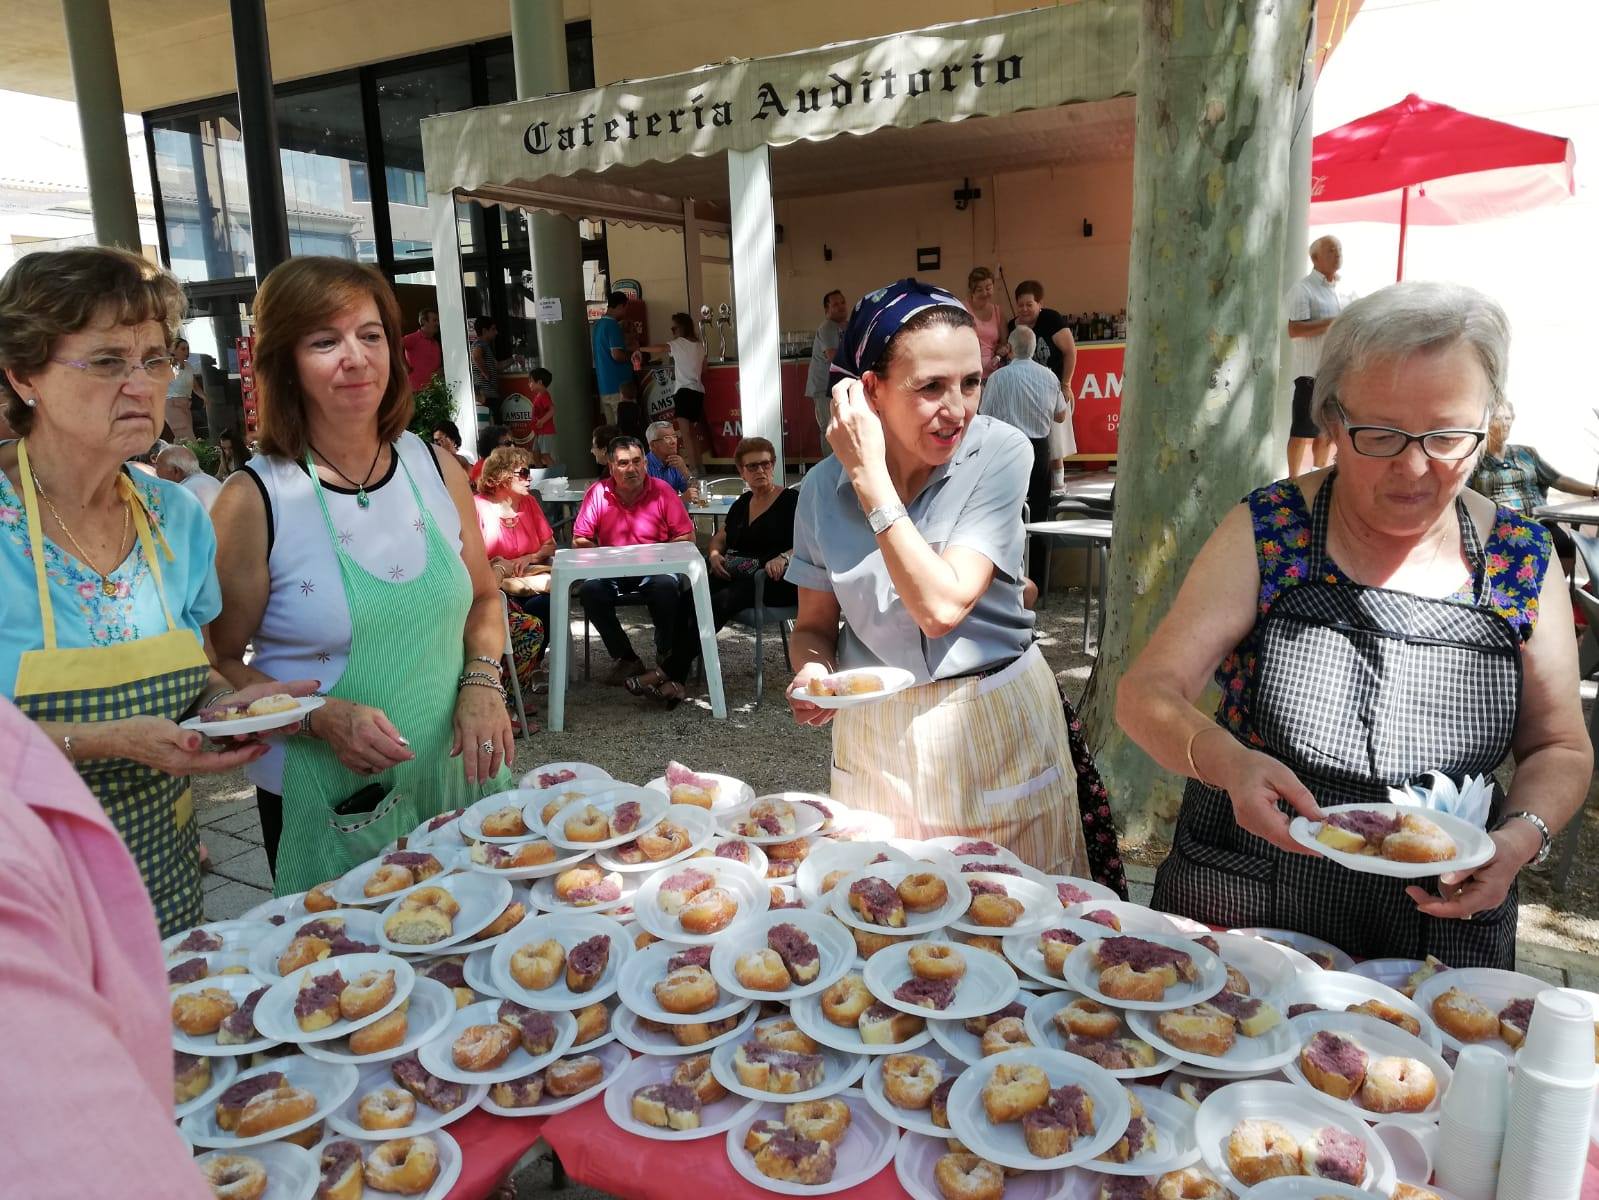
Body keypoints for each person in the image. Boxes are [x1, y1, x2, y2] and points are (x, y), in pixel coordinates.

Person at [1119, 282, 1590, 967]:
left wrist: (1520, 836)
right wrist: (1226, 761)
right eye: (1380, 434)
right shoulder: (1269, 529)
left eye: (1446, 435)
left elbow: (1559, 747)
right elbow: (1145, 694)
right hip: (1247, 896)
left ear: (1488, 427)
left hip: (1440, 917)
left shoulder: (1520, 558)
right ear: (1331, 421)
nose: (1412, 465)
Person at [0, 246, 310, 936]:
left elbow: (190, 666)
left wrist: (231, 704)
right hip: (24, 908)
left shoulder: (174, 518)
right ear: (23, 375)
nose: (144, 386)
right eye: (108, 361)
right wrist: (104, 741)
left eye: (156, 359)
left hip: (161, 884)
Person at [210, 257, 515, 894]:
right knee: (343, 974)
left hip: (459, 771)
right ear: (285, 363)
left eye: (370, 335)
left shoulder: (435, 466)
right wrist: (317, 714)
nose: (356, 357)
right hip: (327, 790)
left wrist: (484, 685)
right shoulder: (255, 499)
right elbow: (218, 663)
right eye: (325, 341)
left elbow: (484, 598)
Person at [785, 279, 1088, 874]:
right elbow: (814, 624)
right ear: (869, 391)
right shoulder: (821, 489)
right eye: (930, 387)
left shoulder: (999, 453)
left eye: (971, 382)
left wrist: (870, 481)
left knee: (1014, 934)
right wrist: (813, 671)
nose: (959, 409)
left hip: (991, 723)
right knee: (885, 926)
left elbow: (942, 607)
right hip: (876, 737)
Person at [0, 695, 213, 1198]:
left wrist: (224, 706)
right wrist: (109, 740)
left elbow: (200, 668)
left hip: (166, 857)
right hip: (66, 883)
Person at [627, 436, 798, 705]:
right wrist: (716, 554)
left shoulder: (790, 500)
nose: (760, 471)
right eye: (752, 466)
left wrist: (785, 557)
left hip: (774, 580)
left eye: (765, 464)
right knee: (688, 599)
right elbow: (722, 535)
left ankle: (665, 672)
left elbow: (809, 541)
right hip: (739, 573)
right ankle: (677, 681)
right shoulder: (743, 503)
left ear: (773, 465)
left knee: (716, 603)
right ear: (742, 471)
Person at [573, 434, 695, 683]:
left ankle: (666, 651)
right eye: (624, 463)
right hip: (612, 570)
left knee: (664, 587)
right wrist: (606, 556)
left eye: (637, 461)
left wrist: (656, 554)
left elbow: (687, 536)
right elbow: (579, 539)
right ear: (611, 466)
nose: (632, 469)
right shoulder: (598, 493)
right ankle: (626, 658)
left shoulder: (663, 491)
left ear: (646, 464)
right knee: (590, 591)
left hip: (657, 568)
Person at [980, 325, 1070, 580]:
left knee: (1008, 512)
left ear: (1009, 348)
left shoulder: (998, 378)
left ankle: (1009, 577)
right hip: (1040, 449)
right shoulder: (1050, 377)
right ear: (1033, 349)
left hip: (1007, 448)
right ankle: (1038, 578)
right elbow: (1061, 416)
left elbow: (984, 416)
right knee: (1039, 512)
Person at [475, 446, 554, 716]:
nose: (529, 477)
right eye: (523, 472)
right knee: (530, 622)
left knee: (547, 606)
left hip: (529, 582)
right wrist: (502, 566)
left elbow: (550, 545)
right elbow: (470, 557)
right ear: (501, 476)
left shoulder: (529, 503)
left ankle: (525, 675)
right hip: (494, 589)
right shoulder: (478, 507)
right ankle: (508, 692)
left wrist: (529, 556)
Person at [1469, 405, 1597, 566]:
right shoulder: (1475, 459)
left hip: (1539, 519)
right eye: (1498, 418)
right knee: (1520, 548)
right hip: (1499, 523)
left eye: (1508, 418)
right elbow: (1463, 493)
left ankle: (1555, 588)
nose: (1504, 423)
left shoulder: (1527, 454)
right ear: (1486, 423)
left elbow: (1558, 479)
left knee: (1562, 543)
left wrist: (1594, 491)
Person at [1286, 235, 1357, 476]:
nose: (1337, 254)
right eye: (1331, 250)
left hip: (1337, 373)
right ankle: (1293, 481)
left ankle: (1318, 475)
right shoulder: (1303, 289)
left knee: (1328, 430)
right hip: (1310, 373)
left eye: (1339, 249)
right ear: (1315, 258)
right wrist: (1331, 323)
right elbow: (1294, 330)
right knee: (1302, 431)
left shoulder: (1347, 290)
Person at [639, 312, 709, 471]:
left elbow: (660, 348)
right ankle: (700, 467)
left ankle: (693, 470)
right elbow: (705, 368)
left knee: (686, 435)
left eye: (673, 328)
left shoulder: (679, 343)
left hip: (683, 391)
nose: (672, 332)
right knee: (694, 433)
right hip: (698, 391)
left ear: (681, 328)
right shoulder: (699, 345)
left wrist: (639, 348)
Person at [1007, 279, 1077, 389]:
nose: (1024, 309)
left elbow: (1070, 352)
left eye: (1029, 305)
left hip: (1054, 387)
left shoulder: (1052, 319)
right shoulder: (1012, 327)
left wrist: (1066, 384)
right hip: (1025, 389)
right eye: (1020, 305)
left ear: (1040, 304)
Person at [805, 289, 849, 431]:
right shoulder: (828, 327)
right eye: (835, 304)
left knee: (839, 427)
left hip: (835, 386)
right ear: (827, 309)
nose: (841, 307)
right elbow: (833, 356)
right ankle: (828, 455)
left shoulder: (846, 326)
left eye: (843, 303)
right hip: (824, 387)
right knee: (829, 428)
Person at [592, 291, 632, 426]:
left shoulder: (598, 326)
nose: (626, 312)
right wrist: (633, 356)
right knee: (624, 429)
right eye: (626, 308)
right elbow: (617, 354)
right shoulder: (612, 325)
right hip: (619, 387)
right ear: (621, 306)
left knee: (612, 431)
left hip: (604, 386)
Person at [155, 443, 224, 513]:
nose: (155, 471)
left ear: (176, 471)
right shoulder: (210, 480)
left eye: (158, 467)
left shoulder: (182, 493)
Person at [966, 267, 1008, 379]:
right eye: (979, 290)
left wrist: (1000, 352)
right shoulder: (963, 309)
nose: (985, 293)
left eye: (988, 288)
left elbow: (1005, 343)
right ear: (972, 291)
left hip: (993, 373)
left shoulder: (997, 311)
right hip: (969, 372)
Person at [164, 336, 205, 443]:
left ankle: (179, 457)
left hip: (185, 404)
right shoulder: (167, 367)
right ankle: (196, 456)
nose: (187, 352)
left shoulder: (189, 366)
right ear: (174, 350)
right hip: (171, 403)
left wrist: (204, 397)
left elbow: (194, 386)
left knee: (183, 436)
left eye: (187, 348)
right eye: (183, 349)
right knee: (186, 435)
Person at [470, 315, 505, 417]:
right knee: (493, 427)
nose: (496, 332)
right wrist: (486, 373)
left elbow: (497, 366)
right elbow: (476, 356)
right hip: (485, 395)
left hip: (489, 394)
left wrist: (514, 359)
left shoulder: (485, 346)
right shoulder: (480, 344)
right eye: (493, 329)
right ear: (485, 331)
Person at [645, 419, 692, 494]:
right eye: (666, 438)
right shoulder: (644, 467)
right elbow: (648, 503)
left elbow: (696, 492)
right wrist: (682, 499)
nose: (673, 441)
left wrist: (685, 471)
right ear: (653, 445)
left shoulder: (676, 462)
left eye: (674, 436)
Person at [402, 307, 443, 393]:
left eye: (438, 321)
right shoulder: (414, 337)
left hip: (432, 391)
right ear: (424, 321)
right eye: (434, 320)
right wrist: (404, 365)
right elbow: (393, 346)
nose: (438, 324)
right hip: (416, 391)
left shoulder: (435, 343)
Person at [528, 367, 557, 467]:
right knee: (536, 454)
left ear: (539, 382)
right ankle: (542, 477)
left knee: (545, 455)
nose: (529, 384)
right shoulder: (539, 395)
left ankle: (557, 477)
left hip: (545, 431)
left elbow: (552, 409)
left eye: (531, 381)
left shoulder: (544, 395)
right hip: (540, 431)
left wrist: (542, 421)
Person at [470, 423, 512, 490]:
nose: (512, 447)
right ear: (493, 446)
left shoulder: (500, 465)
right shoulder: (482, 469)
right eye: (508, 443)